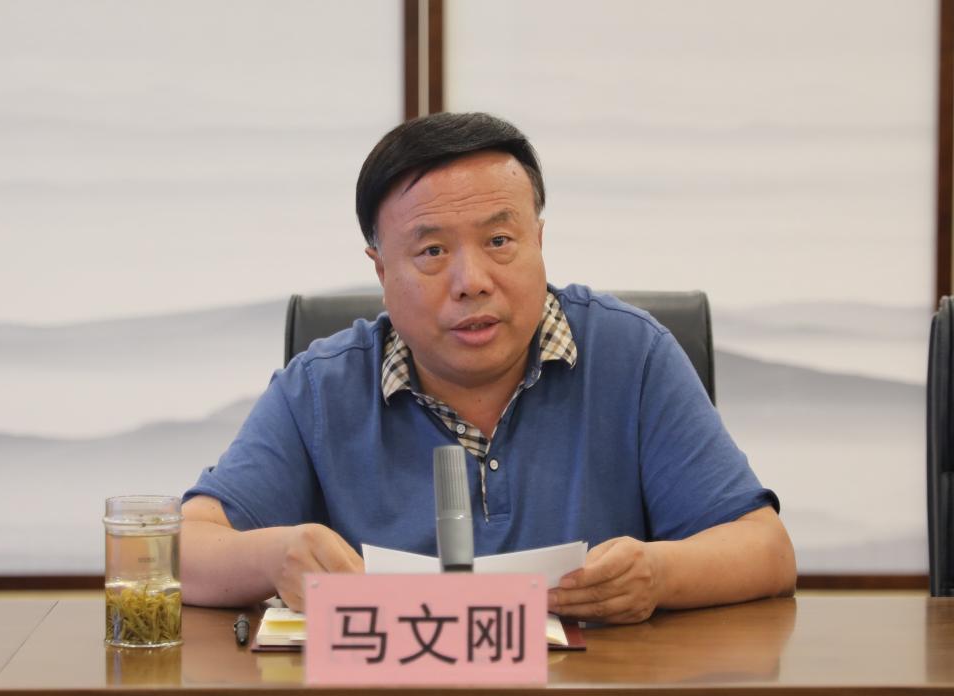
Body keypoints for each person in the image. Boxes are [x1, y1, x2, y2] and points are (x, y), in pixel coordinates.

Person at [181, 112, 796, 624]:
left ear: (539, 241)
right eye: (432, 251)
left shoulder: (633, 355)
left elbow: (765, 549)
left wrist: (659, 574)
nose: (471, 282)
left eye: (499, 242)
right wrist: (274, 558)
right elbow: (180, 550)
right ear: (381, 270)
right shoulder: (320, 388)